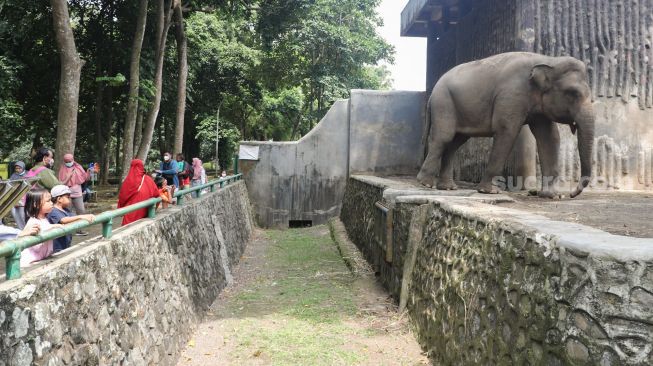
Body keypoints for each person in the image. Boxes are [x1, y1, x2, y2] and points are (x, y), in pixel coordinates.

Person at [21, 188, 63, 267]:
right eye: (48, 201)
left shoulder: (44, 219)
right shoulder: (33, 222)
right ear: (36, 204)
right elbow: (36, 245)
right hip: (29, 262)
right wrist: (52, 227)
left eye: (51, 200)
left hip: (40, 259)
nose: (51, 203)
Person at [47, 185, 96, 253]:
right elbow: (64, 220)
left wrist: (85, 217)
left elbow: (72, 218)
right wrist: (81, 216)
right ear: (59, 199)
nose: (70, 199)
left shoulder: (65, 210)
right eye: (67, 197)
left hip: (66, 242)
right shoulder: (53, 211)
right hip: (56, 246)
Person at [118, 159, 160, 226]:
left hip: (131, 214)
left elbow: (123, 197)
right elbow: (157, 195)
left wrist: (120, 208)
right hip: (145, 213)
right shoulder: (149, 179)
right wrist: (152, 210)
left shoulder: (128, 181)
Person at [58, 153, 90, 236]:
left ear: (73, 160)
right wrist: (69, 176)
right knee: (68, 212)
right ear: (64, 161)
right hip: (66, 192)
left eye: (70, 161)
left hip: (77, 191)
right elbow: (61, 182)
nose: (68, 162)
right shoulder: (62, 168)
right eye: (66, 161)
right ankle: (68, 230)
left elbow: (85, 178)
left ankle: (80, 229)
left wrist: (89, 172)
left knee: (81, 210)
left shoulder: (78, 167)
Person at [10, 161, 27, 228]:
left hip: (24, 197)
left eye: (19, 168)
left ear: (23, 168)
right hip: (15, 196)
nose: (17, 170)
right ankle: (20, 227)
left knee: (22, 215)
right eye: (16, 168)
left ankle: (24, 227)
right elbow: (11, 184)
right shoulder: (14, 175)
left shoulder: (27, 174)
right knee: (15, 213)